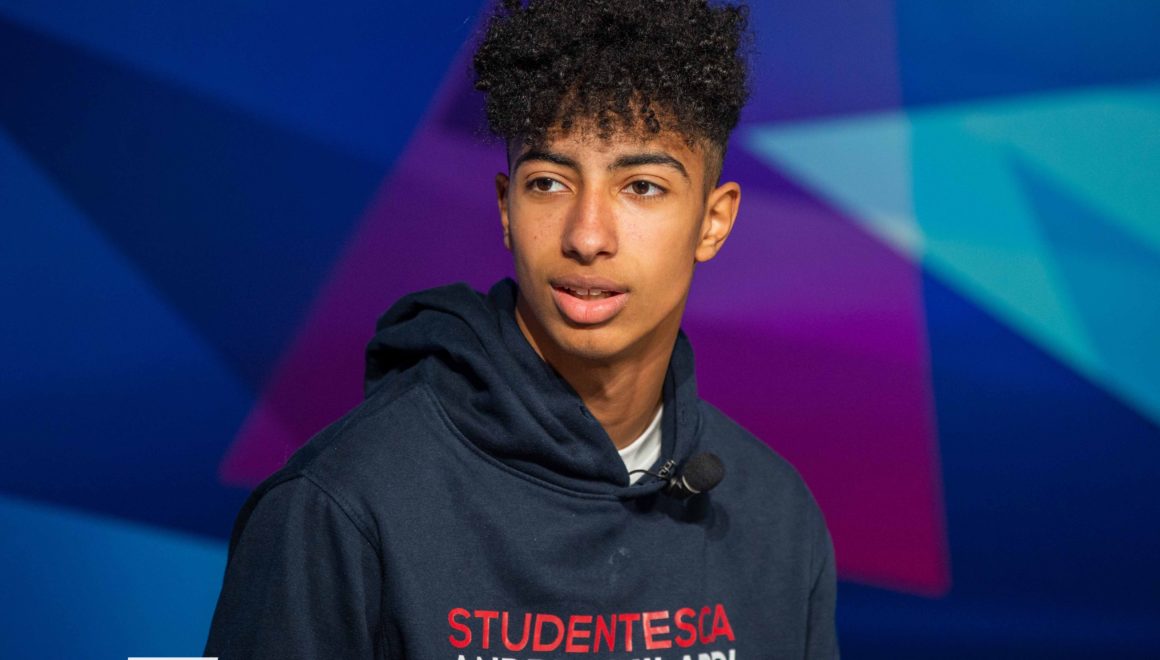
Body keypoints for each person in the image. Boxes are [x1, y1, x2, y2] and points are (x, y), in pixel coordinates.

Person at [205, 0, 838, 658]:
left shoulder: (775, 516)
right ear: (507, 209)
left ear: (713, 221)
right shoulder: (341, 506)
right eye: (549, 183)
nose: (587, 236)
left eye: (642, 187)